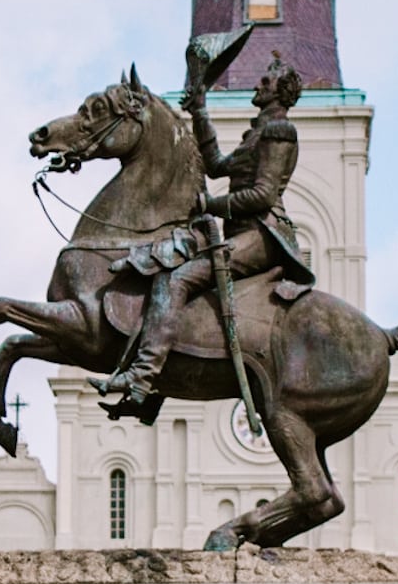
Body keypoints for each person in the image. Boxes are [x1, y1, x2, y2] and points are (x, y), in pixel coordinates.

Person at [92, 50, 314, 412]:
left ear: (280, 91)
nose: (259, 83)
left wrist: (211, 206)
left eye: (267, 79)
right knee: (173, 280)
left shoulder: (279, 132)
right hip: (238, 234)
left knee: (175, 281)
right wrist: (200, 110)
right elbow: (216, 165)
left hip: (262, 236)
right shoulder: (257, 133)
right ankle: (151, 393)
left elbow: (263, 195)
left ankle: (142, 376)